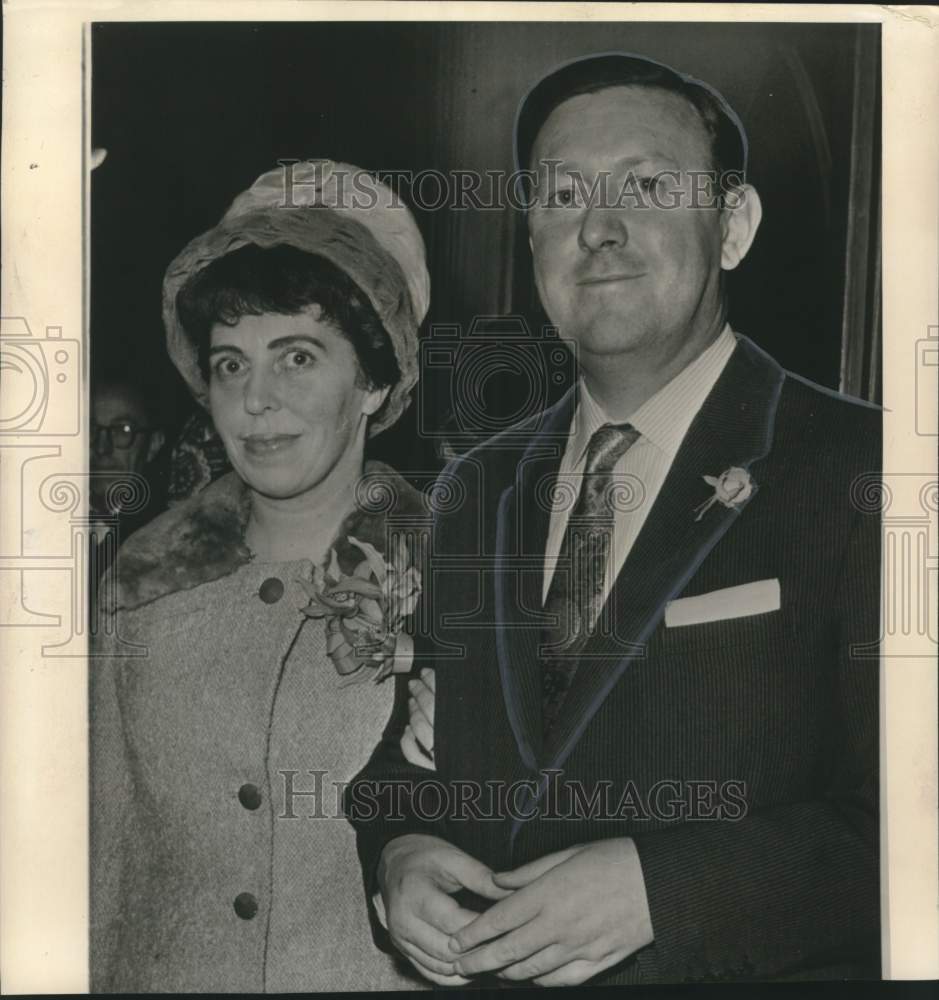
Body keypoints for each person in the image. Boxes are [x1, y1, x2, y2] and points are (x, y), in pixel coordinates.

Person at [350, 53, 881, 985]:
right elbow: (411, 757)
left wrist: (663, 892)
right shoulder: (478, 487)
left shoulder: (871, 471)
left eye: (646, 184)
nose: (597, 226)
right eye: (560, 195)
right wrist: (399, 853)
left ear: (733, 224)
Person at [90, 160, 432, 992]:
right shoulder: (141, 581)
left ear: (375, 379)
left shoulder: (463, 570)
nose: (254, 401)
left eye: (298, 357)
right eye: (231, 364)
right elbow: (104, 853)